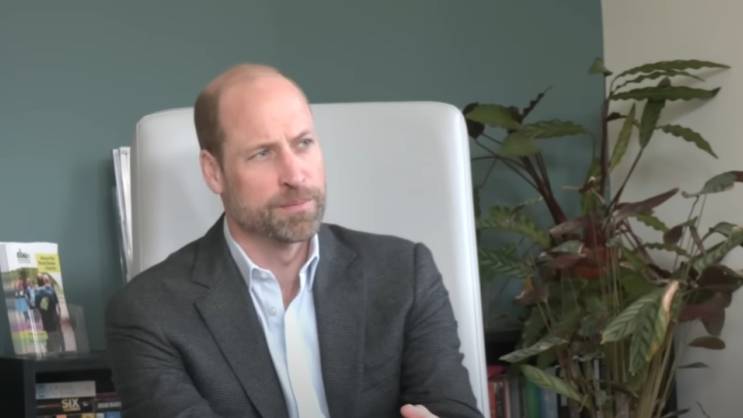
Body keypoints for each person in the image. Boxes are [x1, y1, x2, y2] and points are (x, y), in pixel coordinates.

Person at [105, 64, 482, 418]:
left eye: (303, 143)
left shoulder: (405, 273)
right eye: (262, 153)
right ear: (214, 171)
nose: (295, 175)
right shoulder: (148, 313)